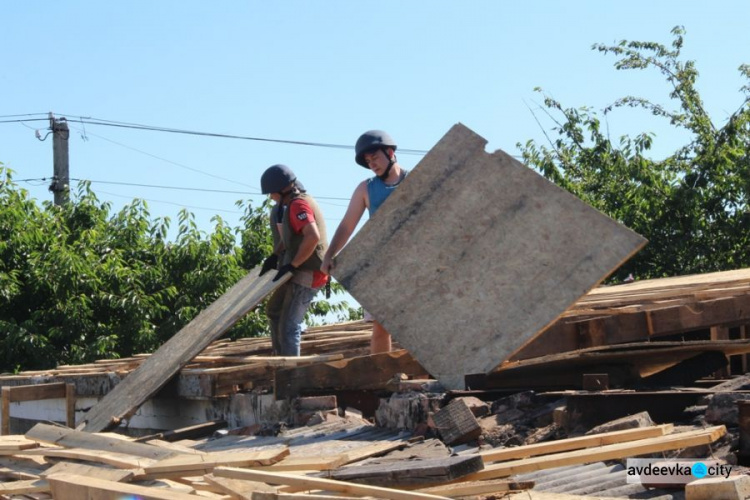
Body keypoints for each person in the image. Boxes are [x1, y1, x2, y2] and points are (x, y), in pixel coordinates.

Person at [321, 130, 408, 354]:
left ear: (390, 153)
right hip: (383, 267)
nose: (373, 165)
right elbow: (346, 226)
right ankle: (381, 376)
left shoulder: (414, 180)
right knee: (381, 324)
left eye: (375, 158)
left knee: (426, 320)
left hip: (417, 262)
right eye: (368, 162)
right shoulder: (365, 188)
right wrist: (329, 255)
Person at [259, 164, 329, 356]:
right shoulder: (289, 204)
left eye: (271, 193)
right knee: (274, 311)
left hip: (309, 273)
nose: (270, 197)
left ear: (282, 190)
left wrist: (292, 264)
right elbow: (289, 237)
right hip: (298, 270)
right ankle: (281, 360)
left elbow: (312, 237)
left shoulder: (298, 204)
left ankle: (291, 375)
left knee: (289, 326)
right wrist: (275, 255)